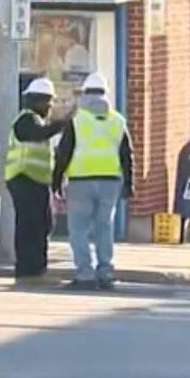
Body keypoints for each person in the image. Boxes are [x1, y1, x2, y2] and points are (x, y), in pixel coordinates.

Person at [52, 73, 133, 291]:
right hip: (110, 182)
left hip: (80, 182)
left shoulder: (77, 121)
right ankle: (105, 273)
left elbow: (63, 153)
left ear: (85, 94)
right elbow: (127, 155)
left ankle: (85, 275)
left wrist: (56, 182)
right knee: (104, 228)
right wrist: (128, 185)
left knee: (78, 229)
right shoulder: (118, 121)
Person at [5, 78, 67, 280]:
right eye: (48, 102)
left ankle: (37, 269)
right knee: (29, 226)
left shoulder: (38, 121)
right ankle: (27, 270)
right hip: (24, 178)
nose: (49, 107)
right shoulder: (26, 120)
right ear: (37, 101)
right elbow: (38, 135)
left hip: (38, 181)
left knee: (43, 225)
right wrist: (62, 123)